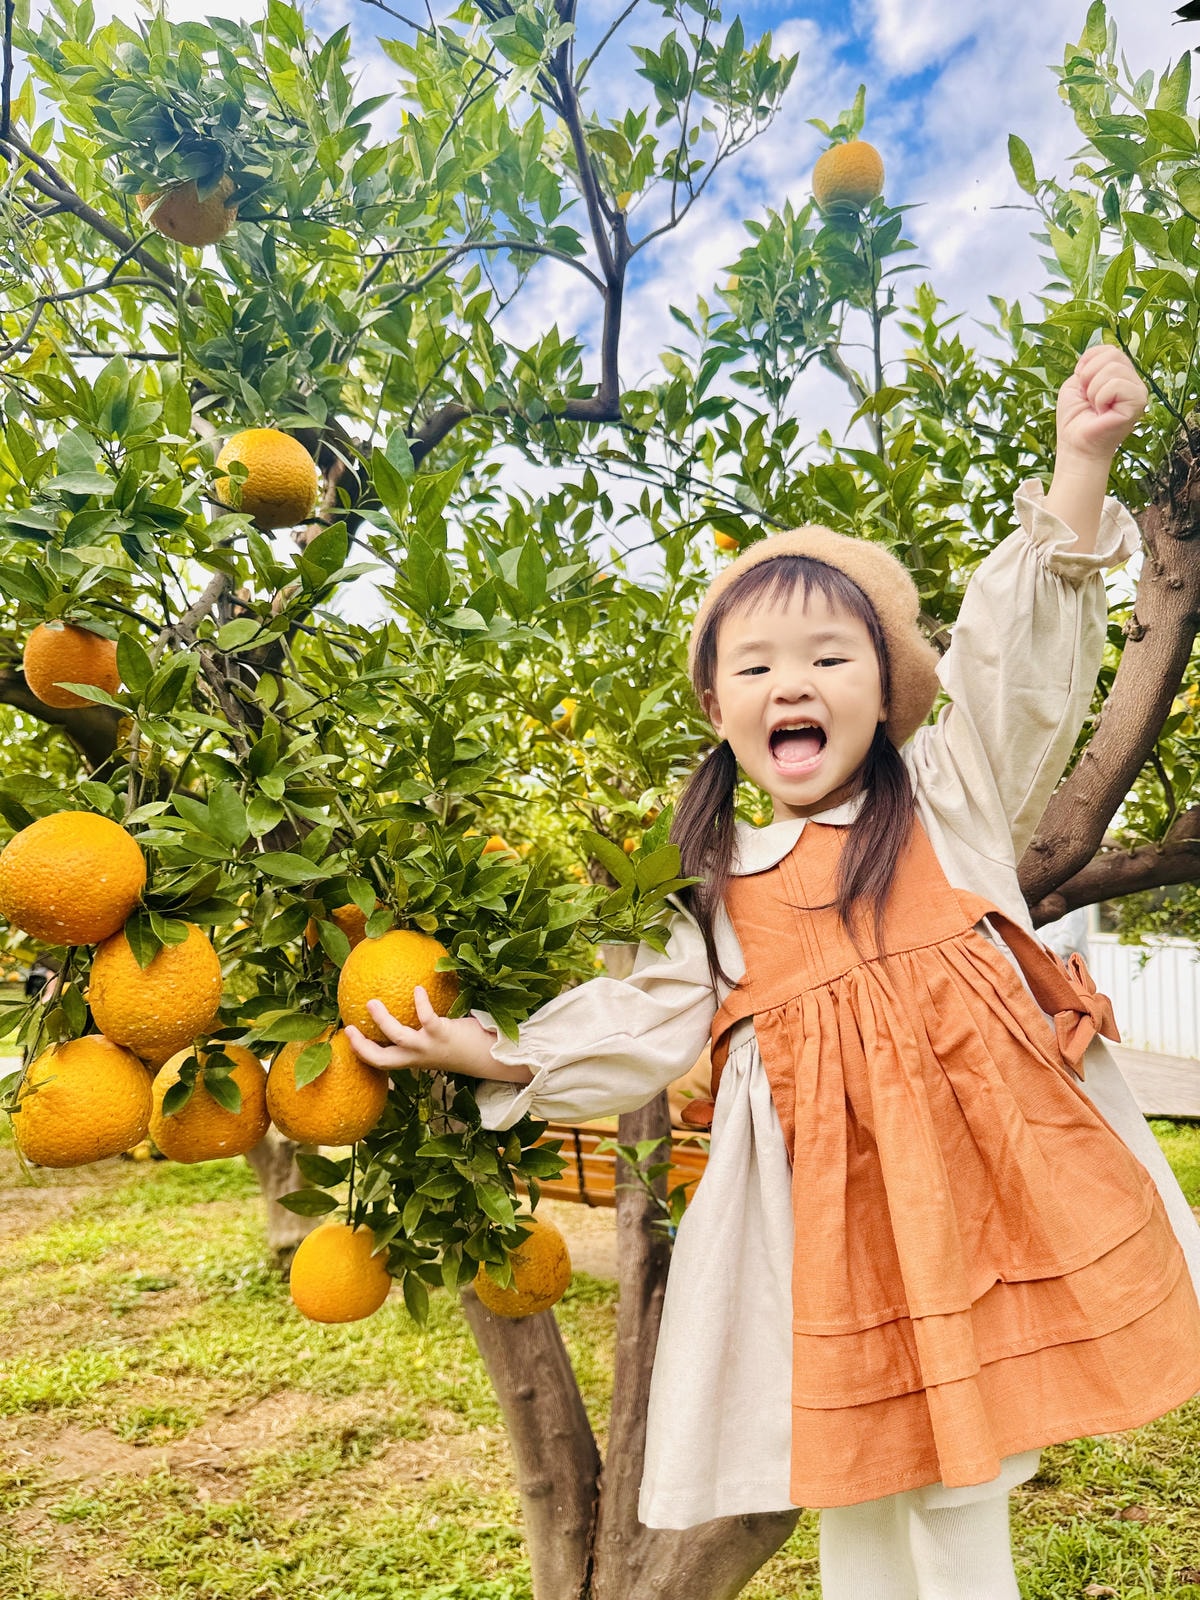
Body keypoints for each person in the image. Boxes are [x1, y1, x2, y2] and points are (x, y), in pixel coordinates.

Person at [345, 345, 1200, 1599]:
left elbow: (1018, 661)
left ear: (892, 692)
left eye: (828, 657)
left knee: (963, 1487)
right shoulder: (713, 875)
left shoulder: (948, 801)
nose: (791, 680)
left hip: (976, 1188)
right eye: (756, 665)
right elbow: (649, 1015)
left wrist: (1083, 460)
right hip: (832, 1219)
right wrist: (505, 1050)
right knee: (862, 1475)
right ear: (719, 704)